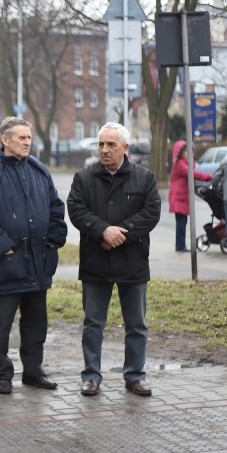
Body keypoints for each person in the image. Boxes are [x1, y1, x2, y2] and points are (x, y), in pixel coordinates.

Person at [0, 117, 68, 394]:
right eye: (22, 137)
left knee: (37, 323)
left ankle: (33, 371)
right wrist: (5, 247)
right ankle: (2, 375)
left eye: (29, 137)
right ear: (5, 139)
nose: (27, 142)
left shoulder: (38, 169)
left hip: (39, 262)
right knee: (1, 326)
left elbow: (55, 207)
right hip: (6, 263)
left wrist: (56, 238)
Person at [66, 122, 161, 397]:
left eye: (111, 145)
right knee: (93, 322)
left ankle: (134, 375)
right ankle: (91, 376)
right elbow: (76, 209)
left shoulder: (144, 177)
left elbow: (151, 212)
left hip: (132, 261)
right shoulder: (84, 177)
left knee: (136, 324)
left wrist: (121, 234)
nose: (104, 150)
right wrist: (101, 231)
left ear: (125, 148)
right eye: (100, 144)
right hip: (96, 261)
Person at [168, 139, 212, 252]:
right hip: (179, 198)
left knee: (183, 222)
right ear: (180, 153)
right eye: (186, 151)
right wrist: (208, 177)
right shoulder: (180, 164)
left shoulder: (184, 163)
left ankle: (180, 245)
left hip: (181, 197)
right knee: (181, 223)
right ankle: (180, 246)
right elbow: (192, 173)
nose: (188, 154)